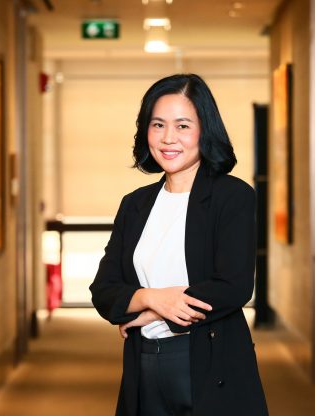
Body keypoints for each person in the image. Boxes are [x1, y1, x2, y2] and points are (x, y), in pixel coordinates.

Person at [89, 73, 268, 416]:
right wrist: (152, 299)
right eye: (158, 125)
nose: (168, 138)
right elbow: (104, 290)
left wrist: (152, 313)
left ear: (205, 130)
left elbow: (233, 286)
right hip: (144, 365)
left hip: (209, 364)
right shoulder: (135, 204)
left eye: (183, 126)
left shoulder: (232, 196)